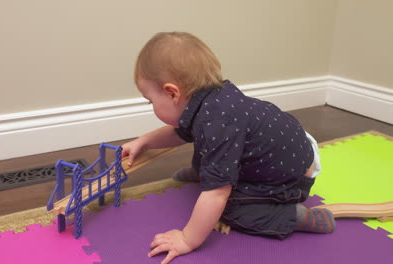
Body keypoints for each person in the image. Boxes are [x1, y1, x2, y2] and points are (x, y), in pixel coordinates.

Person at [121, 32, 335, 264]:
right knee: (210, 148)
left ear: (173, 93)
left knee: (229, 208)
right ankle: (207, 171)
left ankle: (295, 217)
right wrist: (144, 141)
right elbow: (180, 132)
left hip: (290, 179)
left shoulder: (216, 122)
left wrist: (186, 239)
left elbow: (216, 195)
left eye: (150, 101)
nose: (151, 105)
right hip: (289, 148)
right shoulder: (212, 99)